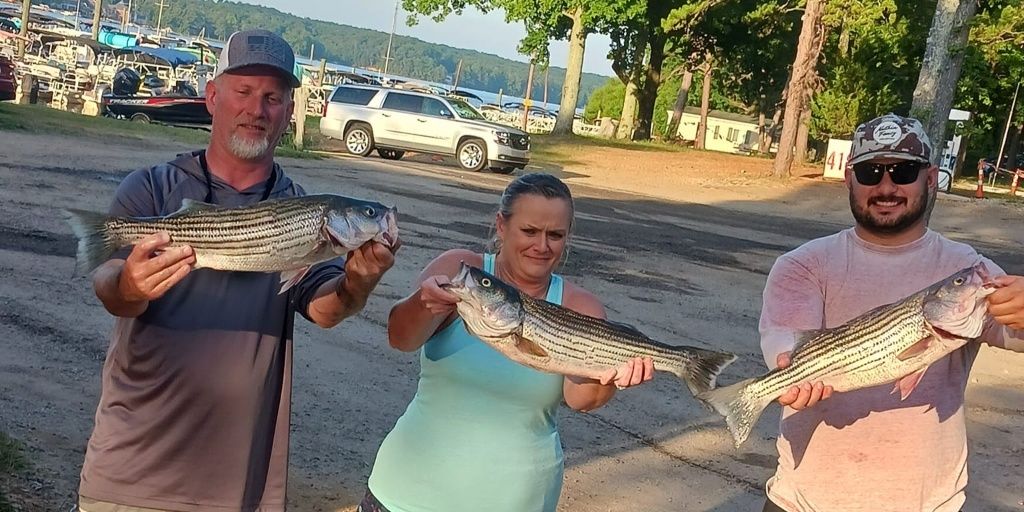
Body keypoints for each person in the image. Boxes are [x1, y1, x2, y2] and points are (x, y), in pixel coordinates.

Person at [77, 30, 398, 512]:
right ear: (212, 97)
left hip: (241, 483)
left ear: (289, 113)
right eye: (243, 92)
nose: (257, 109)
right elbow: (109, 289)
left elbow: (325, 310)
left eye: (273, 97)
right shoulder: (150, 186)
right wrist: (128, 284)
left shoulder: (298, 206)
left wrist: (358, 280)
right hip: (132, 468)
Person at [758, 113, 1024, 512]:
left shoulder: (968, 270)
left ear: (930, 178)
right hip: (803, 502)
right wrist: (787, 371)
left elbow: (1015, 335)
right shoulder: (803, 263)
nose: (886, 186)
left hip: (929, 504)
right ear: (849, 179)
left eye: (903, 171)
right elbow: (785, 342)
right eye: (870, 172)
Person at [360, 173, 655, 512]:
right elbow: (400, 338)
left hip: (518, 499)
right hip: (405, 494)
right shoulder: (462, 270)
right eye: (529, 231)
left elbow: (581, 400)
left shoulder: (580, 306)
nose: (541, 246)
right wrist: (424, 303)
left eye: (555, 235)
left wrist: (610, 377)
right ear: (501, 225)